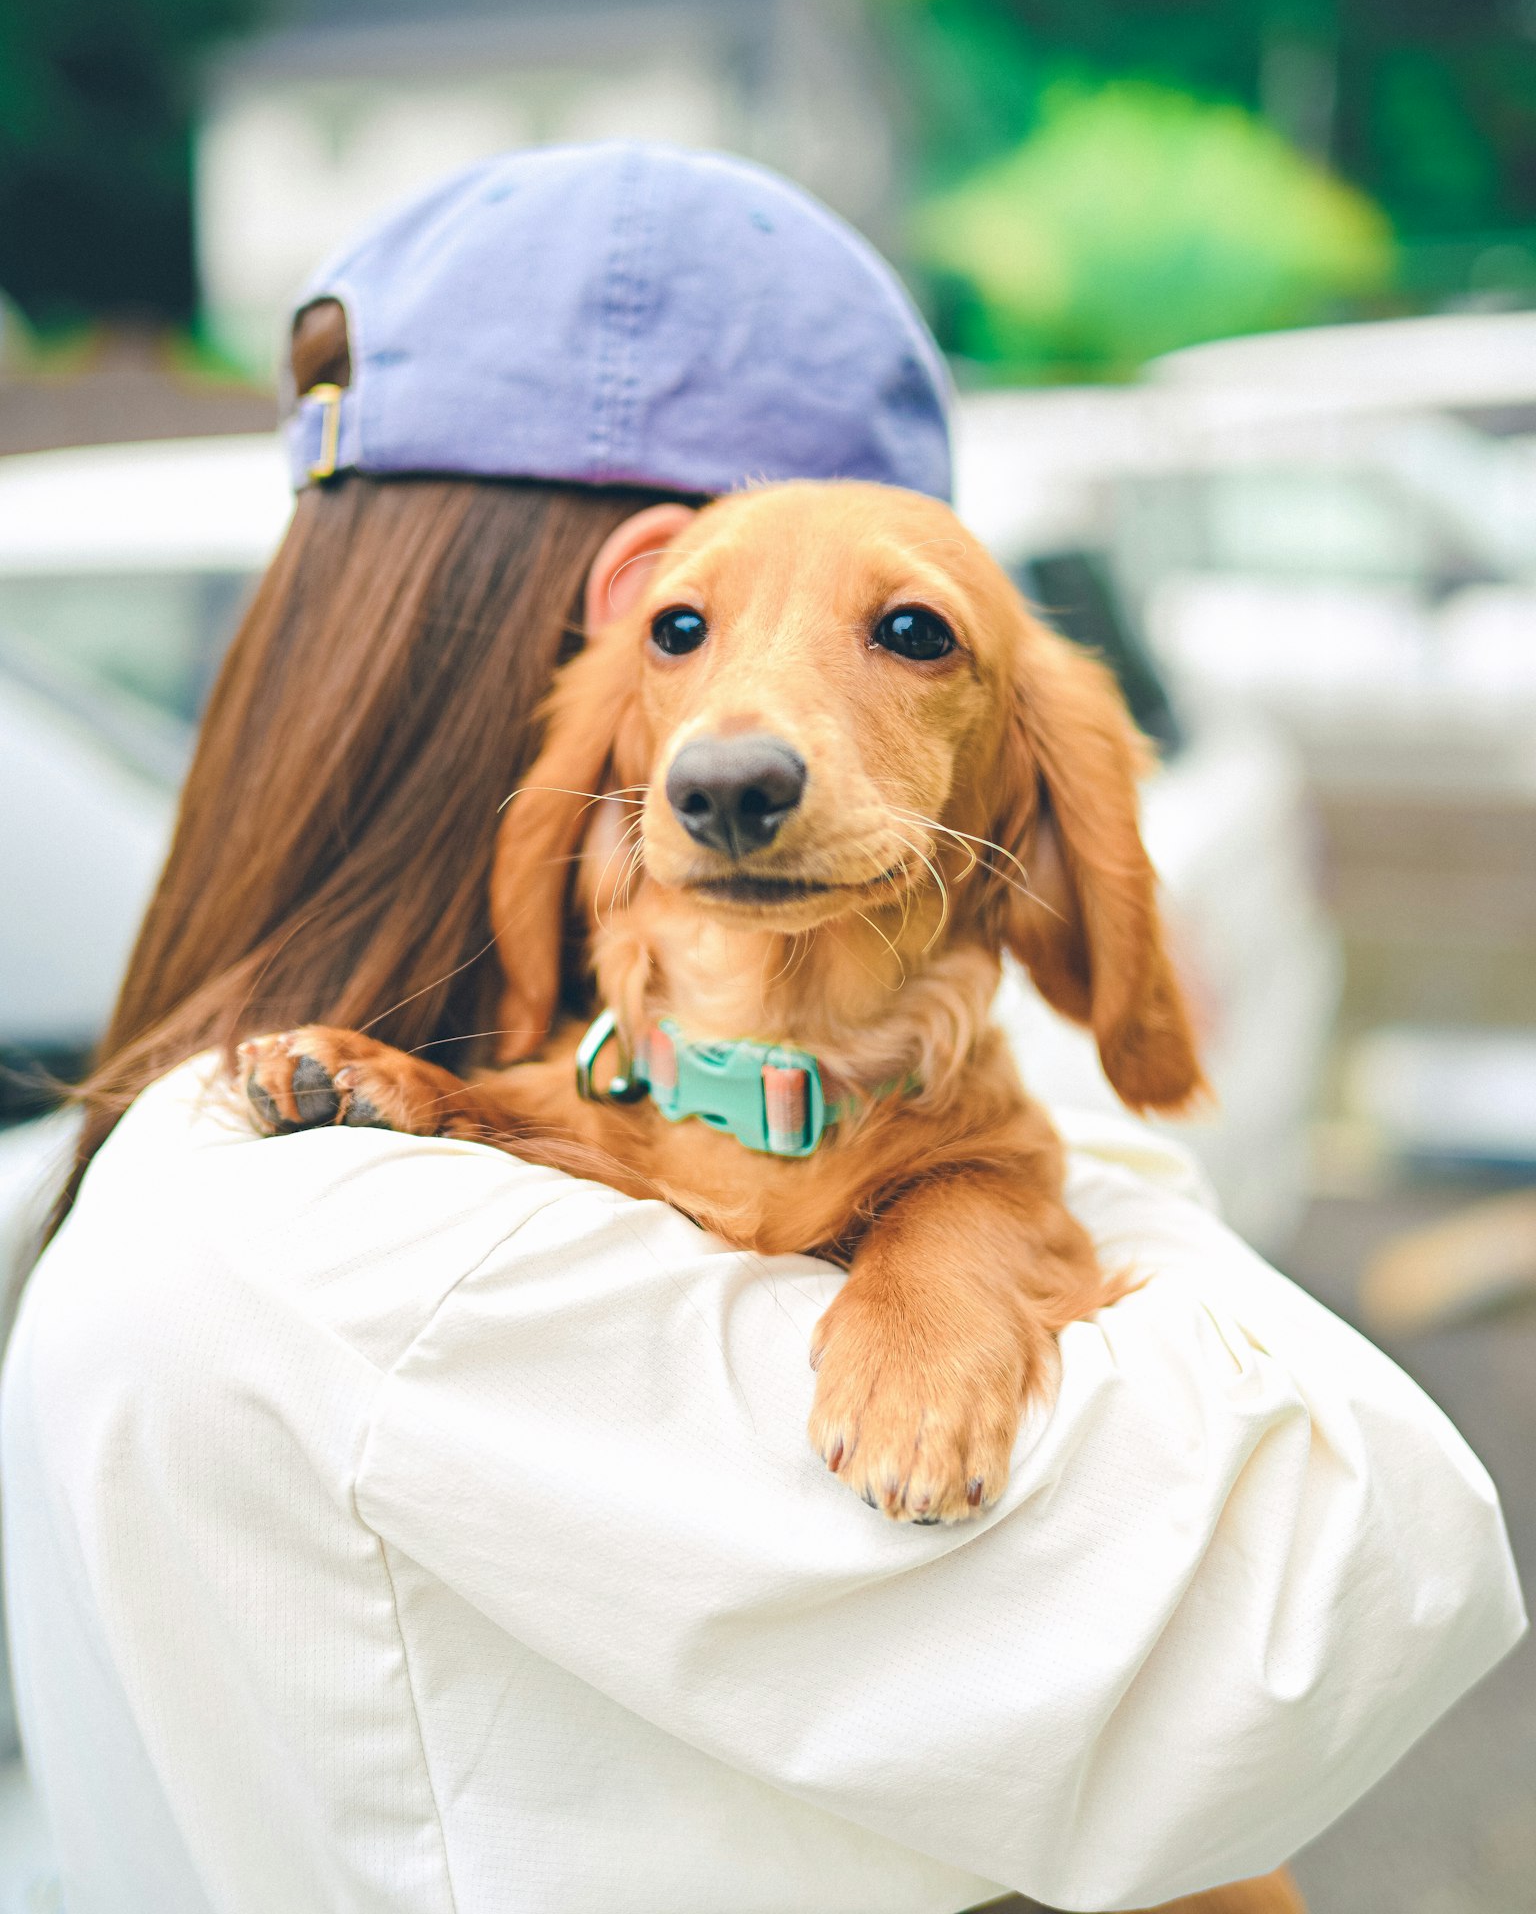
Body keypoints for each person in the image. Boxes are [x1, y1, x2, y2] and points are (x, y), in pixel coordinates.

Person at [2, 143, 1521, 1914]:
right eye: (708, 624)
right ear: (646, 626)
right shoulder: (355, 1264)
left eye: (903, 629)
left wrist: (961, 1143)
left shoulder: (198, 1163)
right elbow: (1366, 1559)